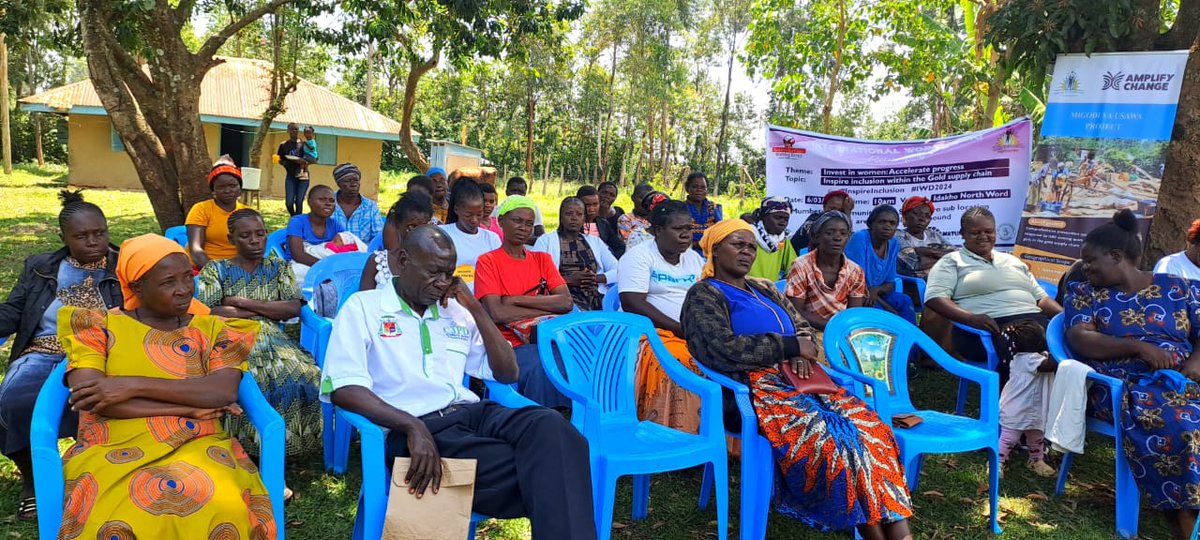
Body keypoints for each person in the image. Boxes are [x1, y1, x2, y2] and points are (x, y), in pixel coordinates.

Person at [322, 226, 596, 539]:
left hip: (472, 413)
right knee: (558, 467)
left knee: (554, 427)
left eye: (448, 274)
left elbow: (508, 373)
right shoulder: (364, 308)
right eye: (433, 273)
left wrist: (477, 308)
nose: (442, 284)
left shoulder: (455, 311)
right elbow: (344, 388)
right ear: (401, 261)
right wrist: (412, 427)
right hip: (414, 428)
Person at [681, 219, 914, 538]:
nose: (747, 251)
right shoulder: (704, 294)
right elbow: (718, 348)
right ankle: (874, 534)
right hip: (753, 391)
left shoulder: (763, 287)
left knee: (872, 430)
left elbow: (800, 324)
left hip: (804, 380)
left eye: (751, 246)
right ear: (715, 250)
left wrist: (799, 350)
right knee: (831, 441)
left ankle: (899, 534)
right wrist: (788, 346)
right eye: (738, 244)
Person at [56, 234, 274, 539]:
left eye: (188, 277)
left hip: (199, 442)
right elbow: (97, 400)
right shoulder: (98, 327)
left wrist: (130, 384)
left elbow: (220, 392)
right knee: (117, 519)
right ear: (136, 288)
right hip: (110, 442)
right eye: (168, 282)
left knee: (225, 511)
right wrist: (188, 406)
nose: (184, 289)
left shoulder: (214, 329)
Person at [1064, 209, 1200, 539]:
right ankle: (1183, 526)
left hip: (1186, 378)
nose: (1085, 267)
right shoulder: (1083, 292)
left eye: (1090, 260)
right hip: (1125, 387)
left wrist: (1195, 363)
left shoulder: (1178, 288)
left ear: (1116, 256)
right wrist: (1139, 348)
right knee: (1183, 424)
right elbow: (1080, 338)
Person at [0, 190, 121, 521]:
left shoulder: (125, 263)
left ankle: (104, 474)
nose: (93, 242)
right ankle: (34, 482)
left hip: (106, 351)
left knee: (113, 400)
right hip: (44, 350)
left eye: (100, 233)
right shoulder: (41, 267)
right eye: (82, 236)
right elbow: (14, 311)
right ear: (63, 237)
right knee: (14, 402)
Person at [197, 209, 322, 457]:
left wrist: (242, 302)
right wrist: (268, 310)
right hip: (231, 338)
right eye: (245, 235)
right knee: (253, 379)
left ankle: (292, 445)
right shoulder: (216, 269)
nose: (255, 240)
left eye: (260, 234)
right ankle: (246, 448)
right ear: (232, 239)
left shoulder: (278, 267)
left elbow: (291, 307)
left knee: (307, 375)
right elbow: (210, 311)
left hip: (275, 340)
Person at [925, 206, 1061, 384]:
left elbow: (1041, 299)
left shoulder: (1012, 260)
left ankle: (1078, 400)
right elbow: (935, 298)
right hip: (985, 329)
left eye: (988, 231)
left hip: (1035, 322)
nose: (983, 236)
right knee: (1027, 340)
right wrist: (971, 318)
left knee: (1074, 337)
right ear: (962, 234)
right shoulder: (951, 262)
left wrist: (1066, 316)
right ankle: (1016, 405)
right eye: (975, 232)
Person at [474, 196, 575, 409]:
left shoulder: (542, 259)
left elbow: (565, 302)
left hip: (547, 337)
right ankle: (541, 419)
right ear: (501, 221)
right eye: (517, 221)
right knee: (541, 365)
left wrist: (514, 300)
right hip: (509, 343)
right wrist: (544, 302)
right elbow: (496, 313)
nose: (524, 228)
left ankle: (573, 415)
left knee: (579, 355)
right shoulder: (488, 261)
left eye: (529, 223)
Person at [618, 200, 706, 432]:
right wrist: (678, 328)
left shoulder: (694, 259)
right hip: (647, 333)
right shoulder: (638, 256)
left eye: (689, 228)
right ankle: (675, 431)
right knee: (681, 361)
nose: (686, 235)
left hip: (688, 331)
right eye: (678, 229)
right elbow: (632, 302)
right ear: (657, 230)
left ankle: (713, 433)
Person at [784, 211, 867, 333]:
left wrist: (841, 330)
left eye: (843, 233)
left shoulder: (856, 271)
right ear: (817, 236)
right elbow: (796, 311)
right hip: (808, 329)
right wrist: (833, 326)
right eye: (829, 233)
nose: (837, 238)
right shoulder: (801, 265)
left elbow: (853, 314)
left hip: (842, 331)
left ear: (848, 238)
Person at [533, 197, 619, 311]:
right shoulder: (546, 241)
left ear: (584, 218)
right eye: (569, 214)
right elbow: (534, 276)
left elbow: (619, 270)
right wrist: (567, 280)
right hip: (561, 300)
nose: (574, 218)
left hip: (596, 298)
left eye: (579, 214)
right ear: (561, 217)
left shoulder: (595, 241)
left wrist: (596, 278)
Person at [996, 320, 1057, 478]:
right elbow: (1050, 365)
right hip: (1017, 408)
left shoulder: (1037, 356)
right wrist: (1059, 346)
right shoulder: (1026, 359)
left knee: (1037, 436)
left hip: (1035, 408)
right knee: (1010, 438)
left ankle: (1036, 460)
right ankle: (998, 461)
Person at [845, 205, 917, 324]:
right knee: (880, 313)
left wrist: (876, 290)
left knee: (905, 301)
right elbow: (856, 282)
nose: (887, 226)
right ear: (871, 224)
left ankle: (912, 341)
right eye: (882, 222)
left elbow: (890, 284)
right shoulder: (860, 239)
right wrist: (891, 311)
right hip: (856, 293)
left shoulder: (893, 243)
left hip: (877, 294)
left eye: (892, 223)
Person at [360, 192, 434, 291]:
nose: (418, 233)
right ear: (398, 225)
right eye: (412, 226)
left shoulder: (434, 262)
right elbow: (363, 301)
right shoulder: (379, 261)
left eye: (424, 227)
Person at [185, 155, 248, 269]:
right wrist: (217, 272)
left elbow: (253, 248)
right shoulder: (201, 209)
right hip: (202, 266)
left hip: (237, 268)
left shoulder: (247, 213)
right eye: (221, 187)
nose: (228, 190)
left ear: (240, 188)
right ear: (213, 189)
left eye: (232, 185)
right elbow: (196, 249)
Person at [440, 179, 502, 289]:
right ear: (456, 210)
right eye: (468, 215)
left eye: (479, 214)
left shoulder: (491, 239)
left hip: (485, 297)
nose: (474, 220)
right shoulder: (442, 234)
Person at [286, 185, 355, 283]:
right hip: (300, 264)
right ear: (309, 202)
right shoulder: (297, 222)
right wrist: (325, 267)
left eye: (332, 200)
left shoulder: (335, 225)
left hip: (327, 265)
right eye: (322, 199)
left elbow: (347, 244)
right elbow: (297, 254)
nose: (328, 204)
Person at [896, 196, 954, 278]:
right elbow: (915, 263)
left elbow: (955, 255)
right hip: (913, 285)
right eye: (917, 214)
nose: (922, 219)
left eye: (927, 216)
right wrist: (942, 256)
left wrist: (922, 251)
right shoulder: (898, 236)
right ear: (905, 216)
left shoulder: (934, 235)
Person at [330, 163, 384, 246]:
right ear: (339, 184)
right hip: (331, 254)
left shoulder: (370, 207)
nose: (353, 184)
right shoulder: (328, 204)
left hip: (363, 255)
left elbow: (378, 237)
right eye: (348, 181)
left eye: (356, 180)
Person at [749, 196, 799, 281]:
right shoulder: (749, 233)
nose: (782, 222)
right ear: (764, 217)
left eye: (786, 219)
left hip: (770, 290)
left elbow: (793, 267)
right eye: (777, 217)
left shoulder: (783, 240)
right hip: (745, 288)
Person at [493, 176, 546, 244]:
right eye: (513, 190)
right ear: (506, 192)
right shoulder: (496, 210)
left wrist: (518, 239)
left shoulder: (533, 209)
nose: (517, 194)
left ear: (525, 194)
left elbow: (541, 236)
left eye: (520, 192)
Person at [578, 185, 625, 258]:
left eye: (595, 204)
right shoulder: (574, 225)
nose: (592, 209)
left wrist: (610, 260)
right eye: (587, 205)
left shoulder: (603, 224)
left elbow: (619, 246)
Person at [684, 172, 722, 247]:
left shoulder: (713, 207)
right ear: (687, 188)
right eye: (695, 186)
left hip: (711, 248)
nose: (699, 190)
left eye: (703, 187)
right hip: (688, 249)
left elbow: (720, 230)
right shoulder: (681, 208)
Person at [278, 122, 307, 216]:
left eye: (296, 129)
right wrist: (284, 163)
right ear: (288, 130)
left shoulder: (303, 144)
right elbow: (280, 159)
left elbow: (313, 159)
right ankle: (294, 217)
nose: (295, 131)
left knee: (299, 202)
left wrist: (302, 161)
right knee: (289, 202)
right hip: (290, 175)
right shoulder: (284, 145)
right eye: (292, 129)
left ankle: (298, 221)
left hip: (303, 175)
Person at [618, 183, 657, 250]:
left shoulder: (656, 219)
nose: (646, 202)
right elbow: (630, 244)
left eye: (650, 199)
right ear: (633, 198)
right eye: (642, 198)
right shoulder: (625, 219)